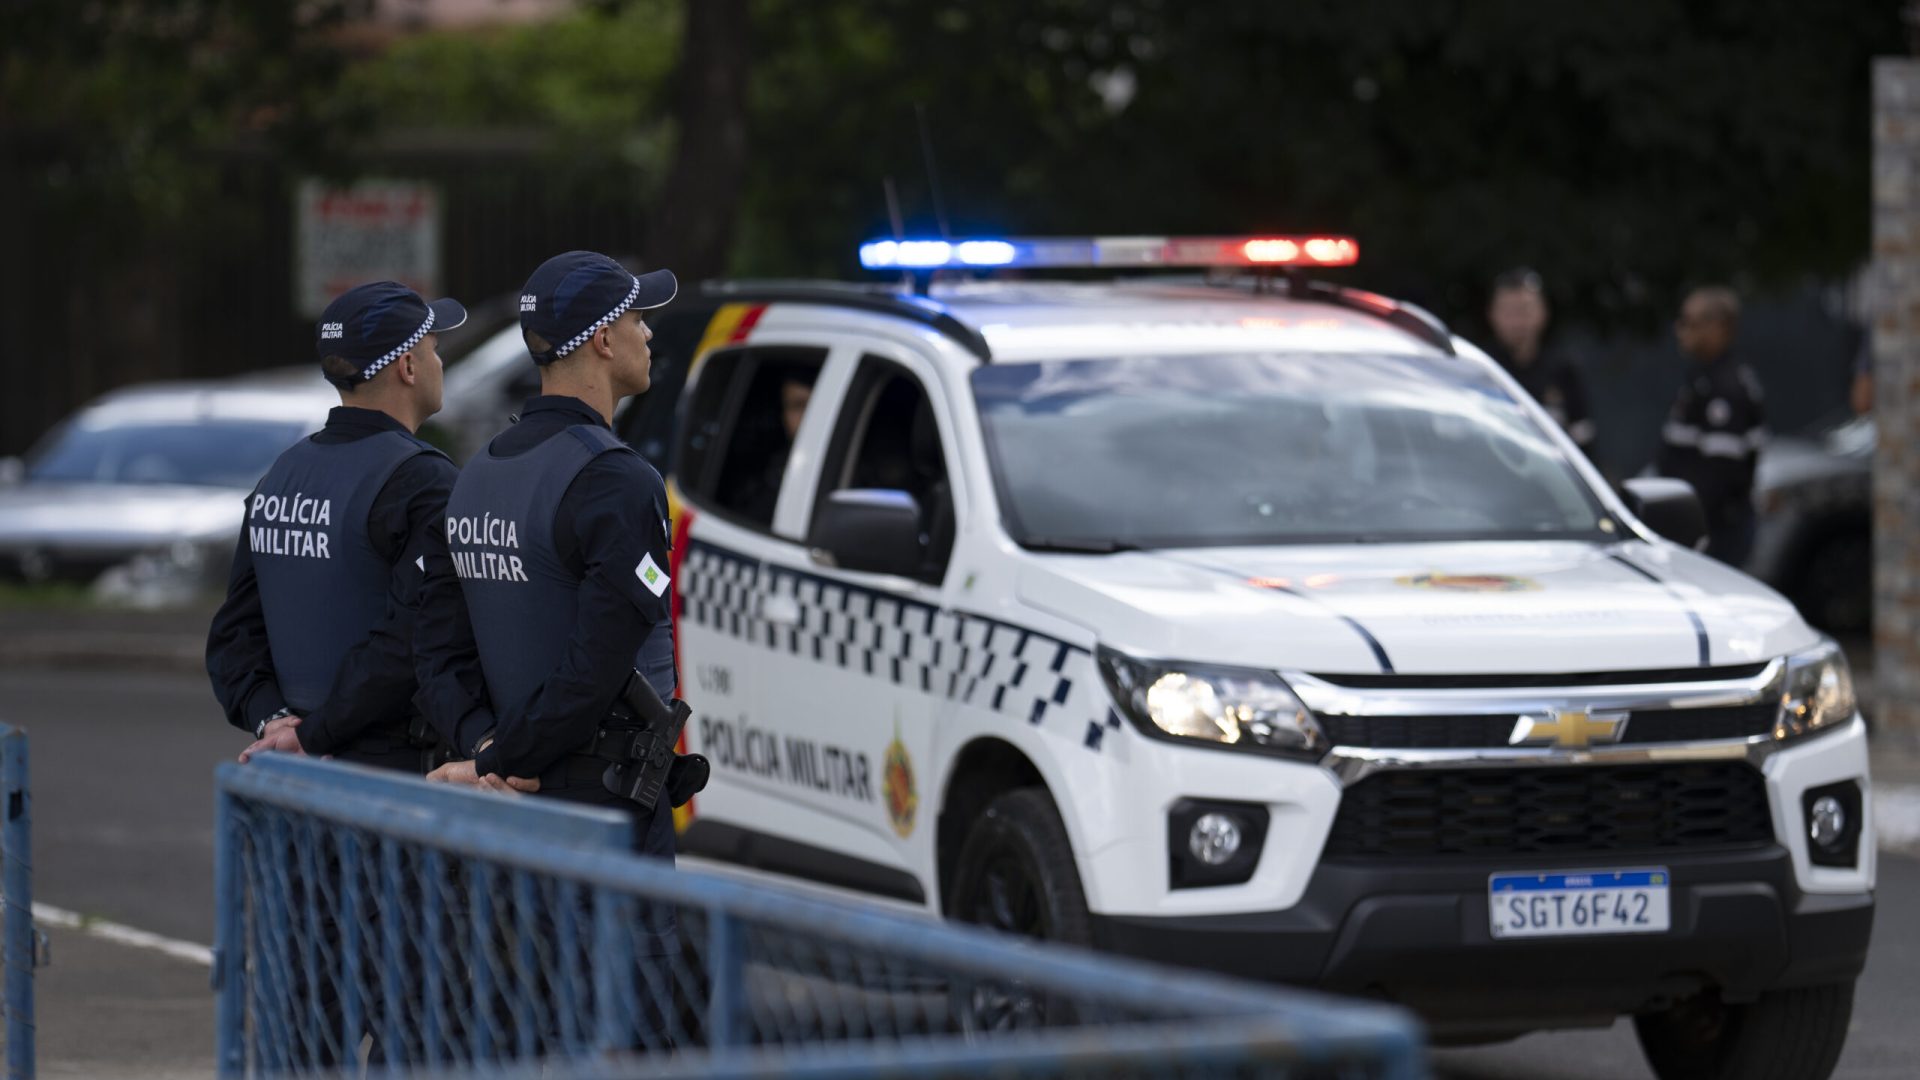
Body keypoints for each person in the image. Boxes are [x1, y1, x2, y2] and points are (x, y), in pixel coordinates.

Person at [421, 250, 684, 852]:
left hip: (503, 787)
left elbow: (437, 650)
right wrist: (503, 758)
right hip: (596, 801)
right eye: (637, 318)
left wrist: (485, 748)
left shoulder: (477, 472)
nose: (648, 334)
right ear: (602, 340)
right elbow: (597, 663)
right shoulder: (616, 478)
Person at [208, 280, 509, 779]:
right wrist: (314, 734)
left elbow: (234, 634)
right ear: (407, 366)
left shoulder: (283, 473)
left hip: (288, 763)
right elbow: (412, 639)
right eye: (434, 349)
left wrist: (274, 720)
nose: (439, 363)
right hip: (387, 770)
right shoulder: (422, 480)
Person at [1656, 285, 1767, 565]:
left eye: (1689, 322)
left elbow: (1719, 477)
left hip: (1715, 532)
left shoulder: (1724, 388)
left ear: (1717, 328)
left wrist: (1691, 527)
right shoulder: (1704, 379)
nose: (1680, 330)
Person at [1482, 268, 1597, 453]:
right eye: (1508, 311)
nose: (1517, 322)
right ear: (1491, 314)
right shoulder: (1480, 368)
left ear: (1543, 312)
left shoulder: (1562, 371)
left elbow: (1583, 440)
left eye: (1524, 310)